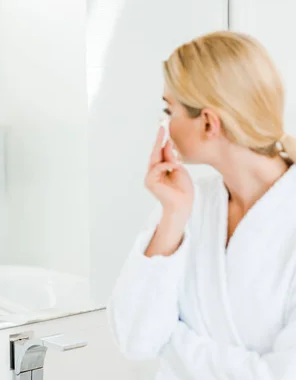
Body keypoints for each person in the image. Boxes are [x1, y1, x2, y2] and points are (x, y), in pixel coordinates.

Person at [107, 31, 296, 379]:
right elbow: (135, 340)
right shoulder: (190, 204)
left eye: (170, 110)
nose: (164, 124)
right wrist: (173, 216)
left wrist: (171, 341)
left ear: (208, 122)